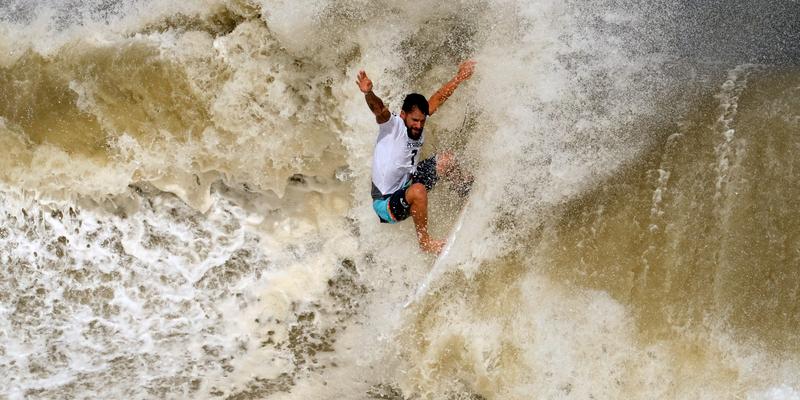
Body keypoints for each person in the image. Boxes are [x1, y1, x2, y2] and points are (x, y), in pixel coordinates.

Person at [356, 60, 476, 254]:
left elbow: (438, 98)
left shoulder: (419, 122)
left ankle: (466, 190)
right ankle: (425, 243)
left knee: (446, 160)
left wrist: (460, 76)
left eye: (422, 121)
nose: (418, 126)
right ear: (403, 115)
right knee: (418, 190)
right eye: (414, 121)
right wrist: (368, 93)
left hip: (406, 185)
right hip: (386, 203)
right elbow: (379, 109)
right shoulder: (392, 125)